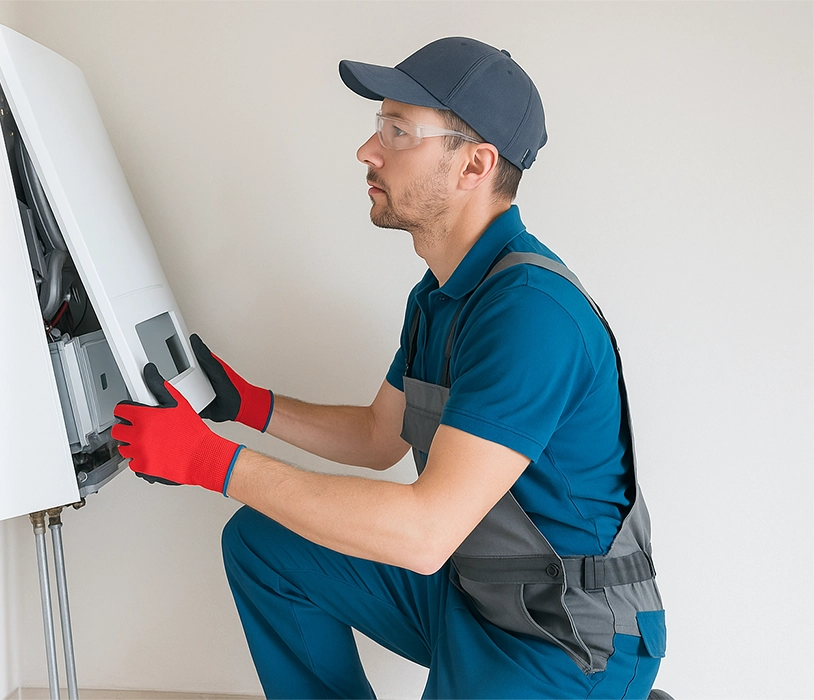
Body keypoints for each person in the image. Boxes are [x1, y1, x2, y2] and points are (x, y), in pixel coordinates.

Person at [111, 37, 666, 699]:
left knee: (375, 531)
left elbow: (426, 532)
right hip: (476, 591)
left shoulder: (530, 314)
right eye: (380, 126)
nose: (368, 151)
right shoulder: (441, 295)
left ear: (475, 166)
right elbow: (380, 437)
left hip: (564, 636)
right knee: (266, 545)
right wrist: (251, 407)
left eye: (399, 131)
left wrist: (212, 462)